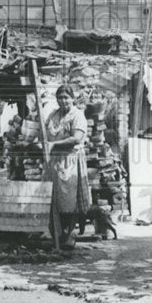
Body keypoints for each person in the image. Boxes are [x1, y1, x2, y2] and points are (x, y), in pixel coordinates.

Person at [41, 84, 90, 249]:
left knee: (69, 201)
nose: (63, 101)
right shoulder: (53, 115)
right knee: (52, 198)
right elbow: (44, 133)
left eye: (66, 98)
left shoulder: (77, 115)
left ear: (72, 98)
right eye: (60, 98)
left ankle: (69, 235)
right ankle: (58, 235)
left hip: (70, 161)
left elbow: (76, 138)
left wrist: (54, 144)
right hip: (53, 162)